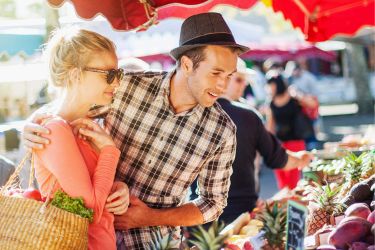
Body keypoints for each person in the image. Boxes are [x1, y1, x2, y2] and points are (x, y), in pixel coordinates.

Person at [23, 13, 248, 249]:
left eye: (229, 76)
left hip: (154, 242)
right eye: (215, 73)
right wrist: (32, 124)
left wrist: (149, 217)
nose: (223, 86)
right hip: (88, 235)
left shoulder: (222, 132)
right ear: (187, 64)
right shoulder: (125, 86)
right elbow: (71, 105)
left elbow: (212, 203)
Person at [30, 28, 129, 250]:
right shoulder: (55, 130)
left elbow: (90, 189)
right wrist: (110, 152)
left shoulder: (87, 126)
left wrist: (118, 188)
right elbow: (90, 210)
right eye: (108, 74)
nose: (116, 83)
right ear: (75, 74)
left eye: (118, 74)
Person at [216, 60, 312, 223]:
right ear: (223, 79)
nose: (244, 85)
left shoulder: (194, 114)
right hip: (240, 211)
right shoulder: (248, 116)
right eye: (239, 79)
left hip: (198, 214)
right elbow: (277, 158)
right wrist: (301, 159)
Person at [265, 72, 314, 190]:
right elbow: (270, 127)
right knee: (282, 181)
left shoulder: (293, 97)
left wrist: (297, 94)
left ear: (278, 84)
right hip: (280, 144)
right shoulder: (271, 103)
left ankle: (292, 205)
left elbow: (312, 104)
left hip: (296, 142)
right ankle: (286, 205)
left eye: (271, 85)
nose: (269, 88)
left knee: (292, 181)